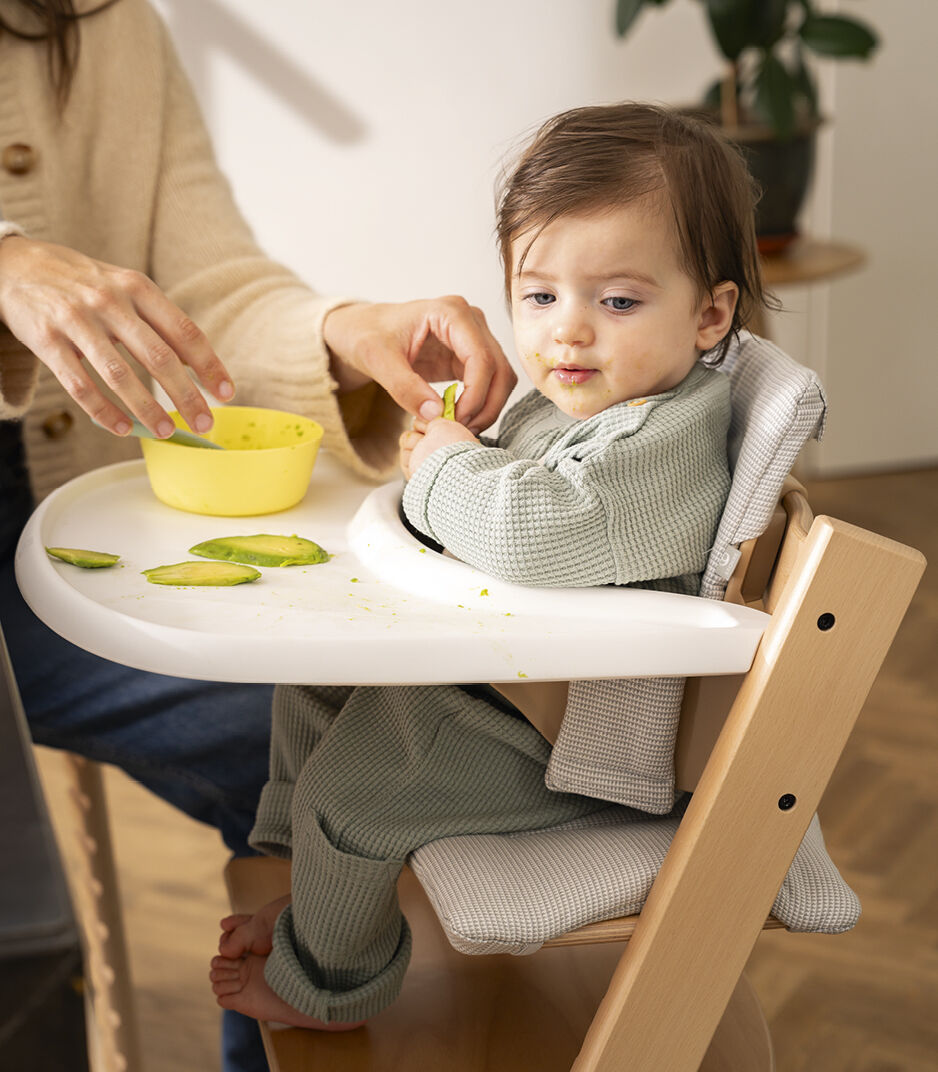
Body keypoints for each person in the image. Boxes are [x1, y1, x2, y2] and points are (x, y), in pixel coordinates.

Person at [0, 1, 513, 1068]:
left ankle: (295, 1021)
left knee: (322, 744)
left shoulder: (98, 20)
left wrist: (340, 333)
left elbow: (207, 289)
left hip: (60, 518)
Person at [209, 101, 771, 1030]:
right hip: (516, 680)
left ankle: (329, 985)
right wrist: (458, 463)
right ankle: (314, 903)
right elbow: (509, 500)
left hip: (575, 733)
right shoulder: (590, 400)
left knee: (355, 794)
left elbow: (532, 533)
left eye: (618, 301)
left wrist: (442, 469)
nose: (568, 334)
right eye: (540, 297)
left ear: (710, 313)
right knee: (315, 677)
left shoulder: (666, 437)